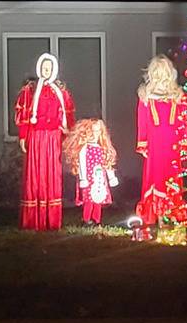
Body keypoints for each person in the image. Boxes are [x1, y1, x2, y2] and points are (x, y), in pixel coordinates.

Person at [13, 53, 75, 231]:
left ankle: (51, 220)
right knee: (35, 174)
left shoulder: (60, 91)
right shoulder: (30, 90)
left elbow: (67, 114)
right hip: (36, 136)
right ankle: (33, 220)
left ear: (54, 69)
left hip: (53, 137)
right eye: (43, 68)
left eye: (49, 68)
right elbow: (23, 114)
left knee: (52, 175)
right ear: (39, 69)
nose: (46, 71)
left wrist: (67, 136)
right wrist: (24, 136)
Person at [135, 55, 187, 224]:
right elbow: (142, 122)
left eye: (164, 71)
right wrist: (142, 143)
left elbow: (183, 120)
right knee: (155, 176)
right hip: (155, 144)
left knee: (172, 176)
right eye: (157, 72)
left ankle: (172, 213)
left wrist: (183, 140)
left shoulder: (178, 96)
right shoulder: (145, 96)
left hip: (172, 144)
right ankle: (156, 215)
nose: (161, 75)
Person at [65, 119, 119, 225]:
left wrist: (111, 177)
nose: (95, 134)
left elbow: (107, 164)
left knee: (98, 198)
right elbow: (82, 163)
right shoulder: (85, 148)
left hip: (100, 179)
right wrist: (83, 178)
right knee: (89, 199)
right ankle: (86, 219)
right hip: (89, 178)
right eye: (93, 131)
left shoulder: (102, 148)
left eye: (98, 131)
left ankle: (96, 219)